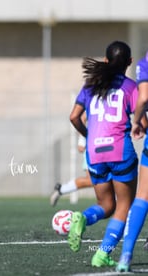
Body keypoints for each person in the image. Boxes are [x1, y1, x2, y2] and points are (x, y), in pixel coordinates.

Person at [67, 41, 139, 267]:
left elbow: (73, 117)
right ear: (129, 62)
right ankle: (102, 253)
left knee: (106, 205)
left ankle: (83, 217)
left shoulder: (90, 84)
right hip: (120, 151)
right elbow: (143, 121)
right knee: (123, 206)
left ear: (106, 61)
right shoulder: (130, 87)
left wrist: (88, 136)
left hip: (95, 152)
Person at [116, 51, 148, 272]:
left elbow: (144, 97)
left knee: (142, 196)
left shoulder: (146, 61)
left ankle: (125, 256)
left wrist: (136, 121)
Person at [50, 131, 92, 206]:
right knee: (93, 180)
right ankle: (61, 189)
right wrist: (82, 141)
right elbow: (82, 119)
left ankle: (61, 189)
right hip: (94, 148)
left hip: (111, 146)